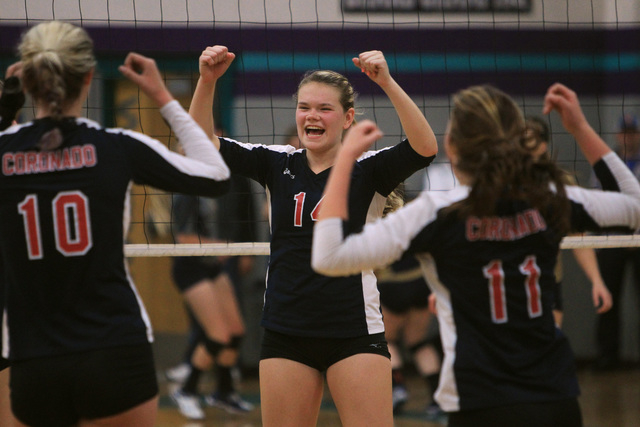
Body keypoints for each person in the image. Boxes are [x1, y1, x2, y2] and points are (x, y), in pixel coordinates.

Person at [312, 83, 640, 426]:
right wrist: (580, 128)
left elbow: (329, 257)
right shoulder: (550, 198)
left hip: (480, 400)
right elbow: (634, 206)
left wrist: (345, 161)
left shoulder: (437, 212)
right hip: (555, 396)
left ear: (452, 147)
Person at [189, 45, 438, 426]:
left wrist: (386, 81)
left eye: (324, 109)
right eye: (305, 107)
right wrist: (207, 83)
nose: (312, 116)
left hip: (353, 329)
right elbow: (201, 144)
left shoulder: (368, 170)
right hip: (286, 329)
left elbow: (424, 148)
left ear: (347, 118)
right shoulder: (277, 162)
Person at [0, 21, 231, 427]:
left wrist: (6, 106)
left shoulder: (5, 150)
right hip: (114, 347)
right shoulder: (117, 147)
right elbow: (216, 177)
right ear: (89, 76)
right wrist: (162, 96)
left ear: (29, 78)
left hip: (33, 355)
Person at [168, 172, 256, 420]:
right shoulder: (186, 191)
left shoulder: (216, 185)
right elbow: (183, 238)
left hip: (212, 265)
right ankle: (186, 391)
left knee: (236, 331)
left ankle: (224, 392)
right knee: (218, 335)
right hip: (190, 269)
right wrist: (221, 246)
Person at [525, 116, 612, 327]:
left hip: (547, 279)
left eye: (529, 140)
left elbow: (578, 238)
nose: (522, 146)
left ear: (543, 144)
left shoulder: (560, 182)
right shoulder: (504, 181)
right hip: (512, 281)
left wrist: (596, 280)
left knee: (547, 349)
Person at [593, 113, 640, 371]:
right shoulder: (605, 163)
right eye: (625, 132)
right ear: (617, 135)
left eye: (633, 132)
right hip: (612, 238)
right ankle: (607, 357)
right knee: (607, 297)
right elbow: (599, 201)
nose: (628, 137)